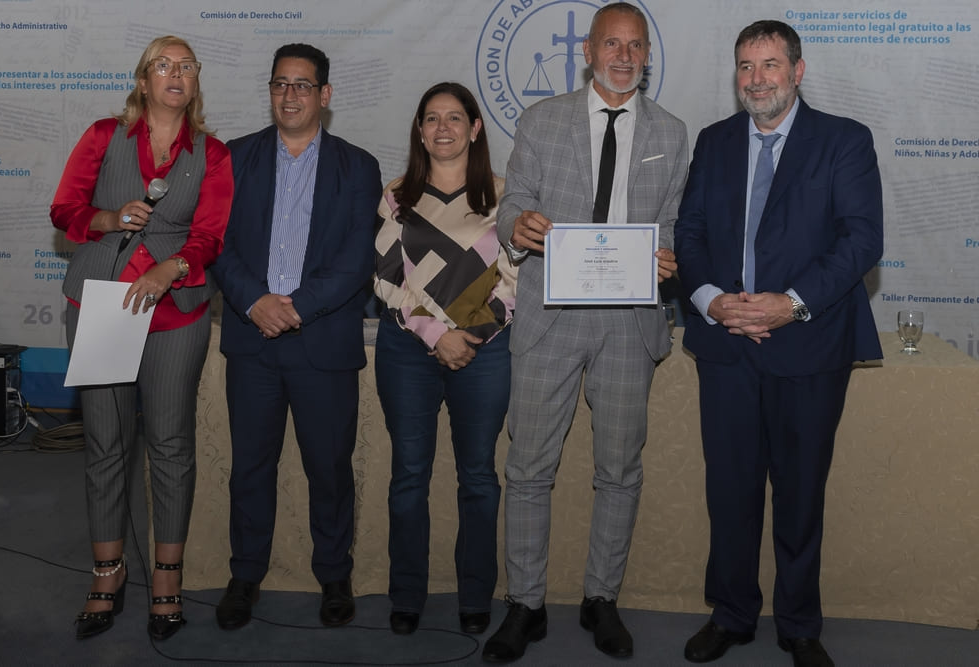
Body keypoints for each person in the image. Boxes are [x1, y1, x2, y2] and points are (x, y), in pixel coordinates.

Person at [481, 3, 689, 662]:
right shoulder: (542, 120)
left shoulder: (672, 131)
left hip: (629, 322)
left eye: (635, 45)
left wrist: (668, 257)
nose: (623, 56)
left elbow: (672, 221)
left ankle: (602, 598)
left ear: (647, 56)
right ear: (588, 51)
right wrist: (519, 227)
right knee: (528, 467)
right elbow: (513, 205)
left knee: (619, 470)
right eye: (611, 44)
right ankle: (525, 604)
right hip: (551, 316)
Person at [674, 20, 883, 667]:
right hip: (726, 345)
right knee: (730, 490)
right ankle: (731, 613)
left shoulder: (844, 140)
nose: (756, 79)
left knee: (799, 492)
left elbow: (860, 240)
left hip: (809, 347)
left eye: (769, 64)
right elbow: (689, 232)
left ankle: (798, 624)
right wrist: (711, 300)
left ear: (797, 70)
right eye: (746, 66)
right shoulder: (713, 141)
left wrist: (788, 304)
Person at [51, 35, 233, 641]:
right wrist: (107, 218)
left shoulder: (212, 154)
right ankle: (107, 573)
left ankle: (166, 581)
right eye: (163, 65)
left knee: (171, 446)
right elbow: (64, 210)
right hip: (102, 306)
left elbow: (211, 234)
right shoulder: (104, 137)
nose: (175, 74)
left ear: (196, 81)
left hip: (175, 312)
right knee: (105, 444)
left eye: (186, 66)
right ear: (144, 78)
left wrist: (170, 267)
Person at [211, 43, 381, 631]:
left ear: (324, 95)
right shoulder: (234, 158)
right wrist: (255, 301)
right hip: (252, 340)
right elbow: (217, 243)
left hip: (322, 342)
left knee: (329, 468)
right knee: (250, 467)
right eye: (280, 84)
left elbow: (358, 258)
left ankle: (334, 576)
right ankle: (244, 575)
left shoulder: (358, 167)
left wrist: (296, 308)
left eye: (302, 85)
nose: (290, 95)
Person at [374, 82, 517, 636]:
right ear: (419, 130)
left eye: (454, 118)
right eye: (431, 118)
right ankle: (407, 595)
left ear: (475, 128)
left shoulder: (506, 196)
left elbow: (518, 279)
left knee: (478, 476)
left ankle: (475, 595)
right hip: (407, 351)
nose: (443, 128)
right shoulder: (396, 195)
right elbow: (386, 278)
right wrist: (436, 334)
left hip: (485, 351)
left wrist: (469, 334)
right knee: (409, 475)